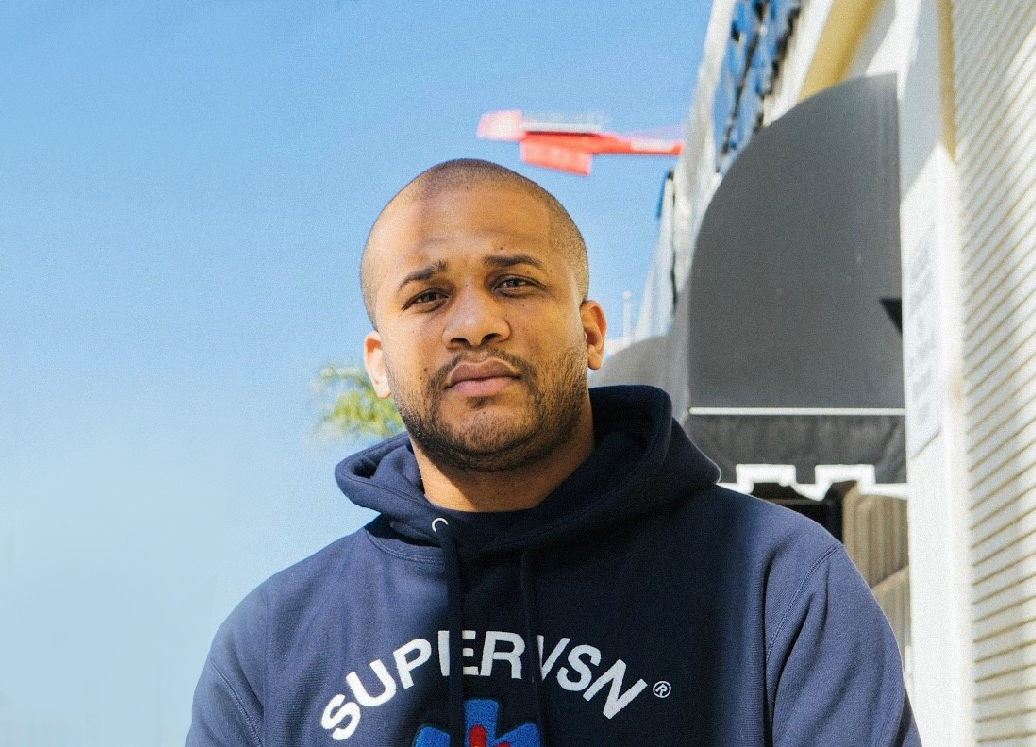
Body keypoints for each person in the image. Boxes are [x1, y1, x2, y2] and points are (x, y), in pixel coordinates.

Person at [187, 158, 921, 746]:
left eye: (513, 281)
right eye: (428, 296)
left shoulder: (776, 583)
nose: (476, 322)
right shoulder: (275, 646)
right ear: (378, 364)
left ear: (592, 331)